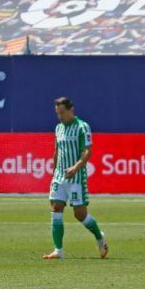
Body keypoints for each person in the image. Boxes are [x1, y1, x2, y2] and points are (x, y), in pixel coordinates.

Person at [43, 97, 108, 260]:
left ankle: (100, 237)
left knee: (79, 214)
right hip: (59, 177)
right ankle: (58, 250)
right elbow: (57, 151)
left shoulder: (82, 127)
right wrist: (54, 172)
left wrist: (75, 167)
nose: (60, 116)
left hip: (76, 177)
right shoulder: (58, 128)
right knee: (55, 208)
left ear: (71, 109)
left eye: (62, 112)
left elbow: (87, 152)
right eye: (58, 113)